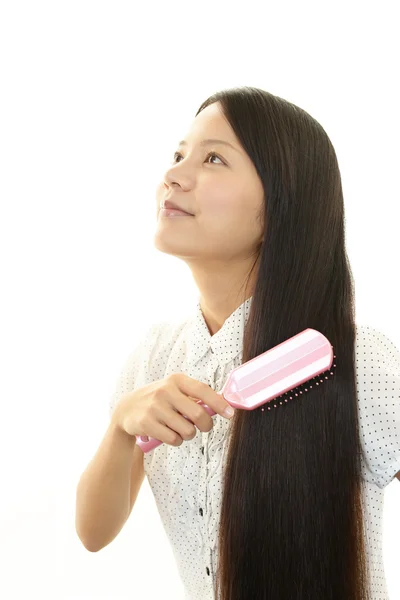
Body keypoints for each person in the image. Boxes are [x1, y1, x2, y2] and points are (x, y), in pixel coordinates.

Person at [76, 86, 400, 600]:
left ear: (280, 206)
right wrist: (121, 427)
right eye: (178, 155)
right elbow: (94, 533)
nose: (174, 175)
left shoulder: (358, 362)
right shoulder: (154, 358)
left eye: (212, 159)